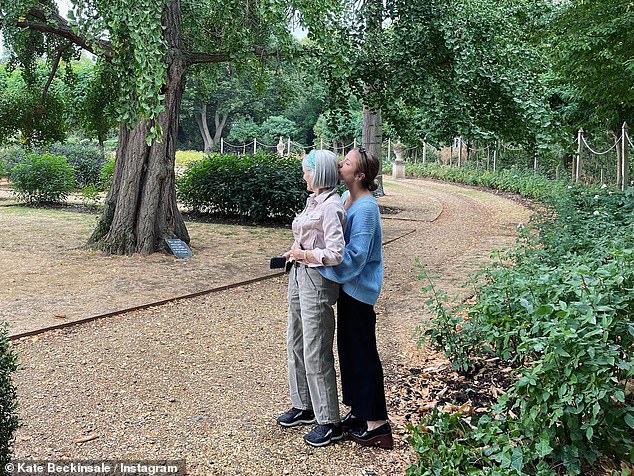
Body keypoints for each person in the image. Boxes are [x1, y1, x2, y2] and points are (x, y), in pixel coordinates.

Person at [318, 147, 393, 450]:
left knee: (362, 354)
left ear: (360, 175)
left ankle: (377, 424)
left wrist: (319, 263)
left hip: (359, 292)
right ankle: (360, 413)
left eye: (346, 162)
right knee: (348, 352)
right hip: (348, 290)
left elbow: (357, 257)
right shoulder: (347, 199)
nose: (340, 163)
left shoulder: (366, 208)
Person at [276, 149, 346, 447]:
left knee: (316, 348)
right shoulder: (313, 200)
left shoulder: (331, 206)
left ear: (319, 173)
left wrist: (304, 254)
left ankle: (330, 420)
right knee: (296, 341)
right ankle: (304, 405)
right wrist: (294, 249)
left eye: (307, 170)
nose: (303, 175)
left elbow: (336, 253)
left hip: (316, 280)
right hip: (297, 274)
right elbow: (303, 233)